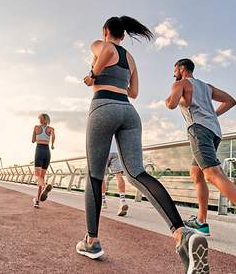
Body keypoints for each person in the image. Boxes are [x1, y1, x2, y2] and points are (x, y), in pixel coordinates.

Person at [76, 16, 209, 274]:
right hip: (129, 112)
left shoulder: (101, 44)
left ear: (106, 31)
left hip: (103, 106)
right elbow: (134, 92)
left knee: (94, 175)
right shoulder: (131, 59)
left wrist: (92, 75)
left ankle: (91, 241)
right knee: (137, 173)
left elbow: (103, 52)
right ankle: (182, 233)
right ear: (124, 35)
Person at [165, 58, 236, 254]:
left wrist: (174, 94)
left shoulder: (181, 83)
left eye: (175, 69)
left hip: (198, 130)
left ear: (182, 69)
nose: (173, 72)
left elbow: (170, 105)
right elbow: (230, 101)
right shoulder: (206, 87)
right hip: (213, 131)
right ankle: (201, 222)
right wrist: (213, 115)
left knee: (212, 174)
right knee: (197, 174)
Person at [31, 113, 55, 208]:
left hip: (39, 150)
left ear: (40, 120)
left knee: (37, 176)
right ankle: (37, 200)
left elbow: (33, 140)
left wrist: (36, 136)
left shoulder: (36, 127)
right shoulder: (51, 129)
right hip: (47, 152)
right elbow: (53, 136)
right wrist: (52, 144)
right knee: (41, 177)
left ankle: (45, 187)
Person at [101, 137, 129, 217]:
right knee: (118, 176)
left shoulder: (101, 124)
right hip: (116, 152)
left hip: (104, 151)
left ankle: (103, 201)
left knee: (102, 177)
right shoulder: (116, 124)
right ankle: (122, 201)